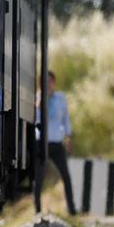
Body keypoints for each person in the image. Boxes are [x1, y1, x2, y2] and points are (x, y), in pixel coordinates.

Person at [38, 70, 77, 215]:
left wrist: (68, 136)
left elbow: (65, 119)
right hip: (41, 143)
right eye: (45, 81)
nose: (48, 84)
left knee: (66, 176)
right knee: (39, 177)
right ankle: (37, 210)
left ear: (54, 83)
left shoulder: (60, 98)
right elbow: (36, 120)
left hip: (56, 143)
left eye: (50, 81)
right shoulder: (37, 99)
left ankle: (72, 210)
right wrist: (41, 101)